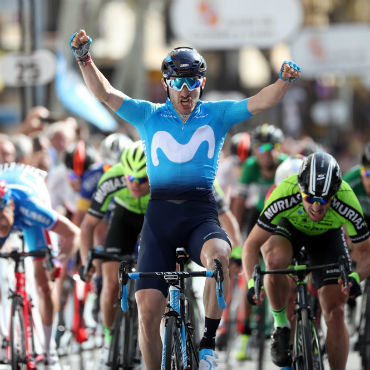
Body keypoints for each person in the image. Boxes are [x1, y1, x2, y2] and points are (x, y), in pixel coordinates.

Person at [69, 29, 301, 370]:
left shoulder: (217, 115)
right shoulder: (148, 115)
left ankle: (207, 343)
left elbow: (261, 101)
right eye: (177, 83)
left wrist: (283, 80)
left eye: (192, 83)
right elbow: (104, 93)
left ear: (202, 84)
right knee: (147, 311)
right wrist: (84, 58)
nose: (185, 91)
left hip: (200, 214)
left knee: (220, 258)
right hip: (160, 217)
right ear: (165, 84)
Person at [242, 152, 370, 370]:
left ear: (335, 193)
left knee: (336, 311)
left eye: (324, 200)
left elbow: (365, 250)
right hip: (288, 229)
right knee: (274, 262)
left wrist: (356, 277)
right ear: (300, 190)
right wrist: (252, 283)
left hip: (327, 236)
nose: (317, 207)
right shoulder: (286, 193)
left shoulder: (346, 198)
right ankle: (281, 324)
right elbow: (252, 245)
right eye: (310, 198)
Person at [0, 163, 80, 370]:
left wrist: (58, 261)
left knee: (43, 283)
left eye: (2, 217)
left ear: (10, 206)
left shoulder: (30, 207)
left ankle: (48, 348)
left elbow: (73, 233)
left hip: (32, 204)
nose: (0, 224)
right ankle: (4, 334)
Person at [80, 140, 150, 368]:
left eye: (142, 180)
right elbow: (88, 226)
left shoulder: (162, 178)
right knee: (110, 285)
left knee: (151, 283)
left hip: (153, 216)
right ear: (124, 173)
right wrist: (86, 262)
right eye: (131, 179)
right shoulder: (111, 179)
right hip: (124, 218)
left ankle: (149, 340)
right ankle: (110, 342)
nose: (136, 184)